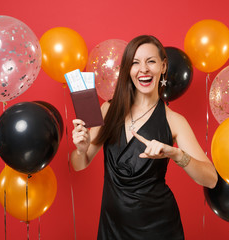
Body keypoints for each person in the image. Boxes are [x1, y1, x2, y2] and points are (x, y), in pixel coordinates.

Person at [71, 35, 218, 240]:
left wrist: (176, 154)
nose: (144, 69)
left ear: (163, 66)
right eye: (135, 63)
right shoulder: (108, 109)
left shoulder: (174, 120)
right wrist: (81, 149)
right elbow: (78, 164)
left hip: (158, 228)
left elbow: (211, 179)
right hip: (112, 228)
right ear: (127, 69)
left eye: (151, 61)